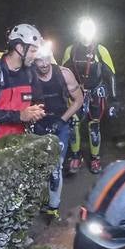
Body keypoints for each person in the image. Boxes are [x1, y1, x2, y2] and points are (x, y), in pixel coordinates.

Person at [30, 41, 84, 220]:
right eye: (39, 61)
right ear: (33, 61)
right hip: (38, 124)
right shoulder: (28, 76)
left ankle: (53, 207)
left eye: (46, 59)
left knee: (55, 167)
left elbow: (78, 100)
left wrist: (62, 120)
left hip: (60, 124)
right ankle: (38, 201)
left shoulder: (64, 74)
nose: (44, 64)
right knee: (37, 166)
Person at [0, 23, 45, 148]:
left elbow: (38, 100)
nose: (35, 56)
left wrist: (36, 111)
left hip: (20, 141)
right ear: (20, 48)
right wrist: (20, 115)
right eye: (33, 51)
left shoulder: (30, 73)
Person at [62, 17, 118, 175]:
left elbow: (111, 75)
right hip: (76, 93)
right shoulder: (71, 50)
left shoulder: (100, 50)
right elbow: (63, 73)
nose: (86, 35)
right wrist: (63, 92)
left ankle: (95, 159)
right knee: (73, 125)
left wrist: (114, 100)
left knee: (94, 127)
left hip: (95, 93)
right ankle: (75, 156)